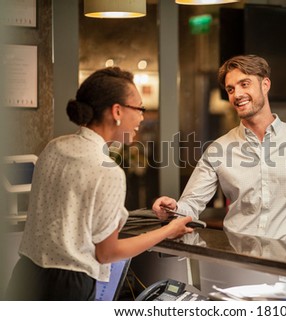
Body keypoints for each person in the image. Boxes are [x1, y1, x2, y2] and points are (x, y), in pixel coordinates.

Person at [6, 67, 193, 300]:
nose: (142, 117)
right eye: (139, 108)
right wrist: (167, 231)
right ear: (117, 111)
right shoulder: (107, 171)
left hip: (25, 275)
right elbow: (107, 252)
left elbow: (75, 218)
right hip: (68, 288)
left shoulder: (53, 147)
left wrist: (150, 216)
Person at [153, 55, 286, 247]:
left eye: (244, 84)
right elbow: (191, 204)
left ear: (265, 84)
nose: (236, 94)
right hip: (237, 264)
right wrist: (172, 209)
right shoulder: (218, 150)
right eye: (230, 89)